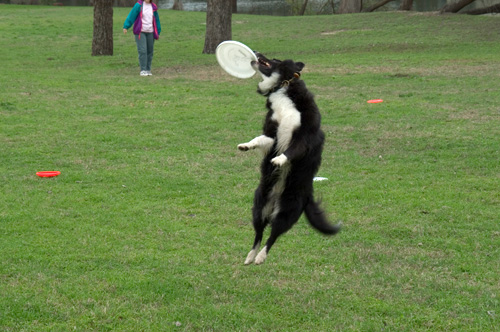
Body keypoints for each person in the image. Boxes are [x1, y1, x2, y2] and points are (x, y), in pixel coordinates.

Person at [123, 0, 161, 76]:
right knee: (143, 50)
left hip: (150, 31)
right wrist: (126, 26)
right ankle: (143, 70)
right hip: (141, 32)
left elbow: (156, 20)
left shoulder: (153, 7)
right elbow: (132, 15)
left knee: (150, 51)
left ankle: (148, 69)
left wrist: (158, 31)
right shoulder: (139, 5)